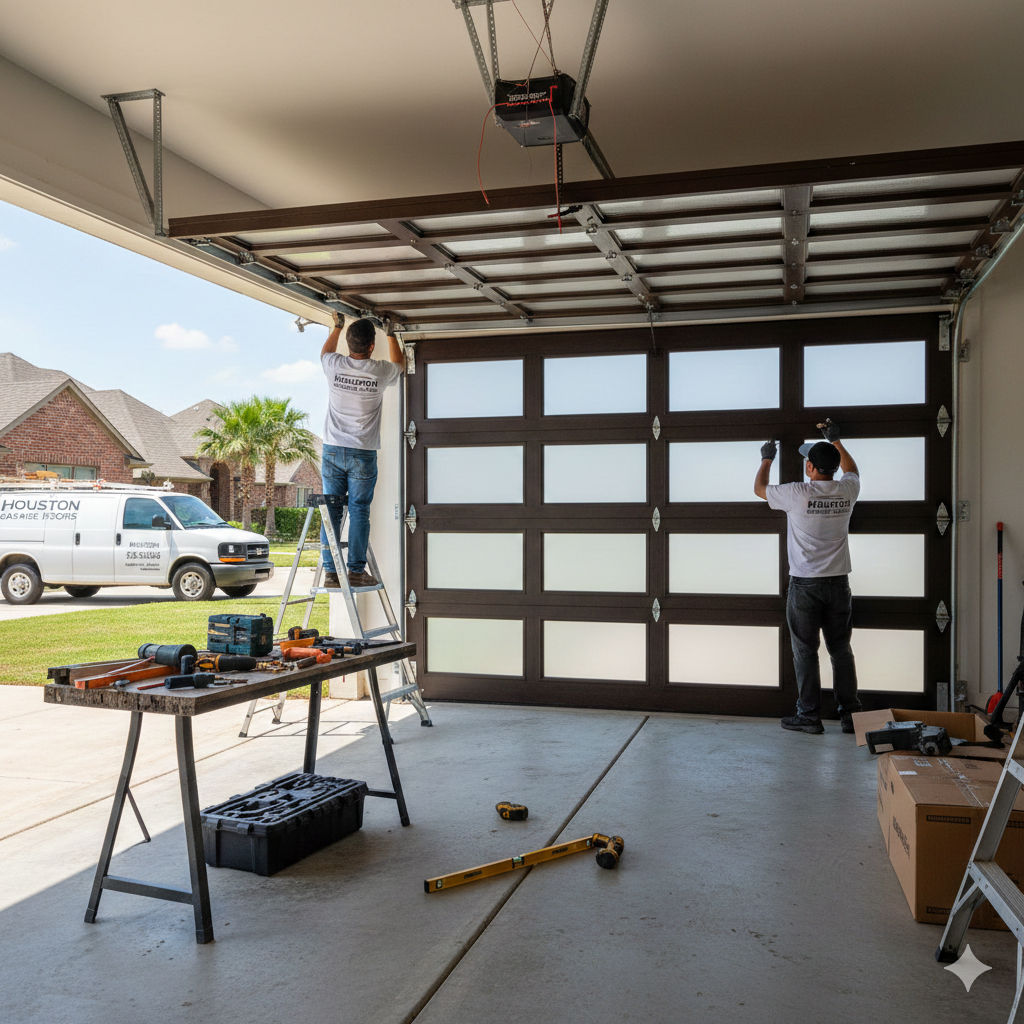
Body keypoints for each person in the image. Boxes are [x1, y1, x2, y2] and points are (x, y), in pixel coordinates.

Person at [754, 419, 862, 735]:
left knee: (805, 649)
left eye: (807, 461)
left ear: (811, 467)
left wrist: (766, 458)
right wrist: (837, 441)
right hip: (839, 582)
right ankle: (850, 716)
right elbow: (852, 469)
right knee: (841, 649)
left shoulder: (798, 494)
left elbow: (760, 489)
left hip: (805, 584)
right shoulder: (847, 490)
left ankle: (809, 716)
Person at [319, 314, 403, 588]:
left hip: (333, 450)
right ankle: (355, 571)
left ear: (347, 343)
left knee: (331, 511)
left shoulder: (334, 364)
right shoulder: (379, 371)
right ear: (371, 347)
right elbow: (399, 364)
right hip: (362, 453)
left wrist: (337, 326)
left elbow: (325, 351)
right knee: (359, 511)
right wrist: (391, 333)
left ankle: (331, 573)